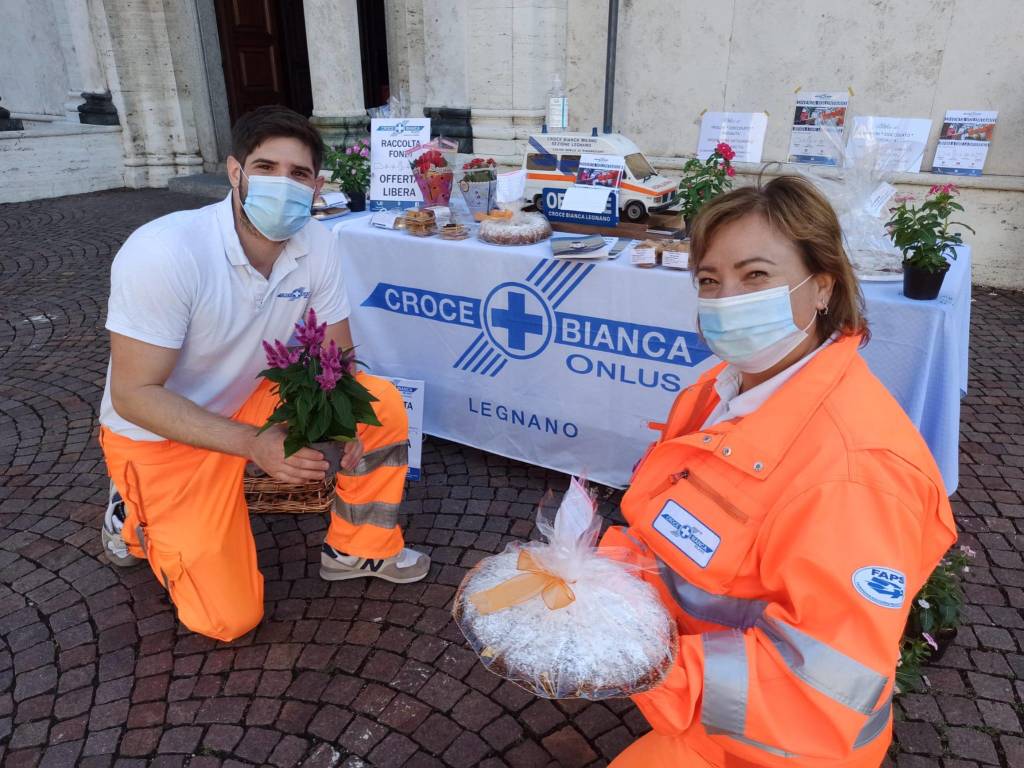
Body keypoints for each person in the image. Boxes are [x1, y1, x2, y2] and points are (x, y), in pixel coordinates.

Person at [606, 176, 956, 767]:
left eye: (755, 275)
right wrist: (592, 586)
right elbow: (667, 541)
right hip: (709, 725)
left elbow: (821, 689)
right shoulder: (714, 393)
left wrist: (639, 662)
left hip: (783, 750)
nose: (724, 300)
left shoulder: (856, 473)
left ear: (822, 286)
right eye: (710, 280)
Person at [98, 105, 430, 643]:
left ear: (317, 185)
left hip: (253, 398)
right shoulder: (164, 251)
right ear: (235, 172)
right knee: (228, 620)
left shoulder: (318, 241)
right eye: (265, 167)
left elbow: (336, 356)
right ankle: (130, 515)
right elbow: (134, 395)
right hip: (161, 433)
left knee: (380, 404)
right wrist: (255, 444)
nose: (284, 184)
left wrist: (341, 427)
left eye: (299, 174)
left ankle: (358, 548)